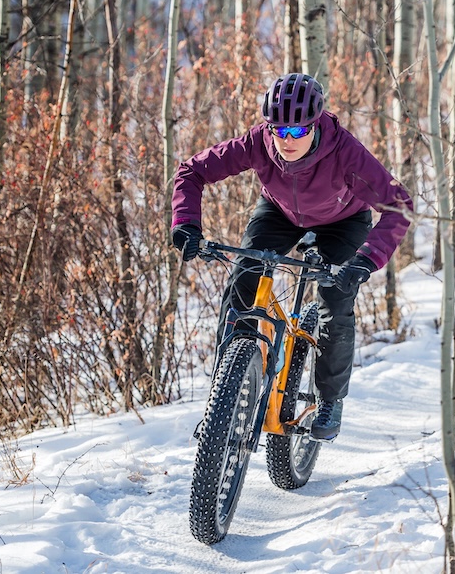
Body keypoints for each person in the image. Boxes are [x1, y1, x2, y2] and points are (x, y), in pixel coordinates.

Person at [170, 72, 413, 441]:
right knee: (242, 282)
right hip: (279, 214)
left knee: (334, 298)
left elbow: (399, 204)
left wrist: (365, 261)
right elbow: (192, 171)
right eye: (278, 129)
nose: (286, 139)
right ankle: (225, 395)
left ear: (314, 125)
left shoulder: (345, 152)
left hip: (342, 222)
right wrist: (186, 224)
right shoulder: (258, 142)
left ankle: (330, 399)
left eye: (297, 131)